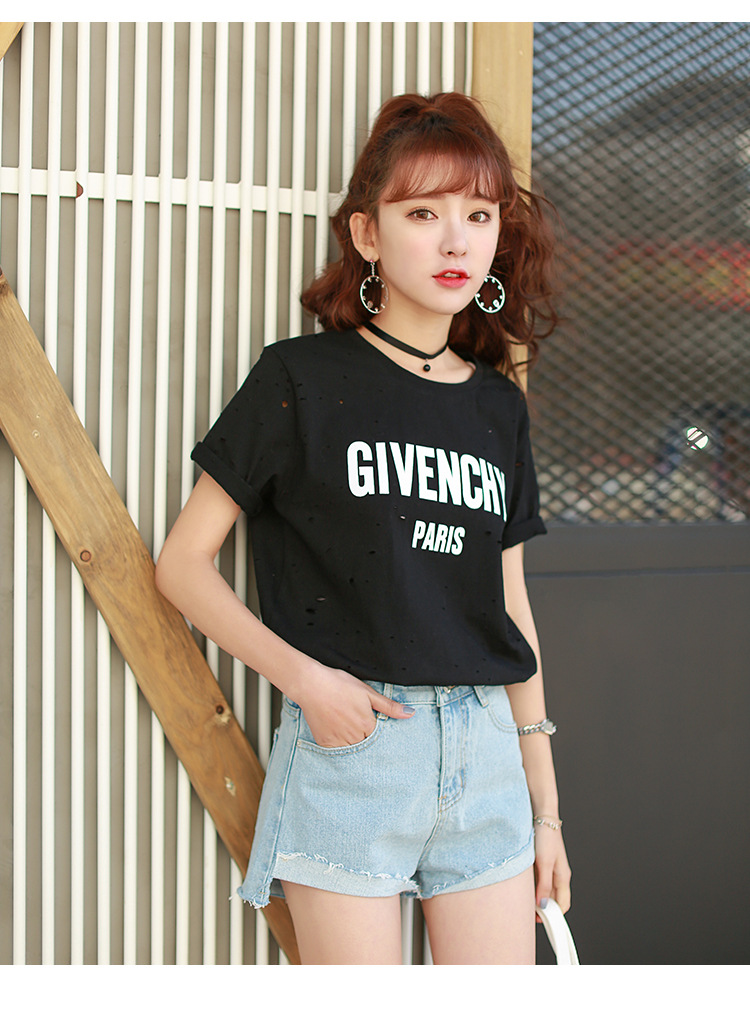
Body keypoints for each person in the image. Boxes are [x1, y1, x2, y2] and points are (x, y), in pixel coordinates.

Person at [155, 91, 571, 965]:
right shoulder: (300, 379)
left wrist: (546, 809)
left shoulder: (498, 406)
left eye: (478, 215)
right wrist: (308, 681)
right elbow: (182, 565)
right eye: (423, 213)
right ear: (367, 234)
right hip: (356, 748)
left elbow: (511, 607)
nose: (456, 240)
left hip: (486, 750)